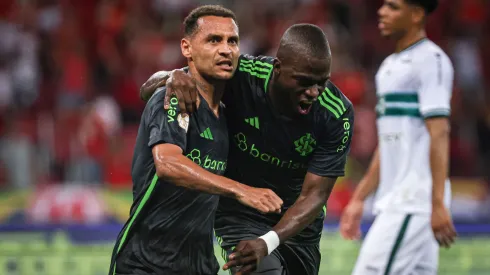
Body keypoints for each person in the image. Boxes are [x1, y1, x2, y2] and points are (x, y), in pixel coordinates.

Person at [140, 23, 354, 275]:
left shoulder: (336, 113)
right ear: (278, 68)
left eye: (322, 83)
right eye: (305, 82)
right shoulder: (240, 74)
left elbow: (315, 196)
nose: (314, 92)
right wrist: (172, 76)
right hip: (240, 213)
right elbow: (146, 89)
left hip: (298, 225)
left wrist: (267, 241)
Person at [109, 6, 283, 275]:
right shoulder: (173, 97)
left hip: (200, 266)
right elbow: (167, 163)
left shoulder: (229, 115)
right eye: (214, 40)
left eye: (232, 41)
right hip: (146, 265)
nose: (226, 49)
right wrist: (241, 190)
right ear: (187, 48)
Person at [339, 0, 457, 274]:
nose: (381, 11)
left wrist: (437, 202)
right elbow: (389, 143)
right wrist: (359, 198)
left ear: (416, 15)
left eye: (393, 7)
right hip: (398, 200)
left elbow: (439, 133)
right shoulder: (388, 67)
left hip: (413, 202)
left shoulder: (432, 61)